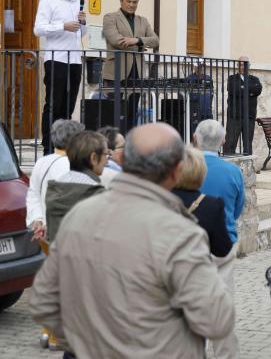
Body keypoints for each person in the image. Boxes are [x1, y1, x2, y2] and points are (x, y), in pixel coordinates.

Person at [29, 123, 235, 358]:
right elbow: (217, 320)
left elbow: (43, 299)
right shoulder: (181, 233)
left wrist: (80, 342)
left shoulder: (80, 214)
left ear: (123, 161)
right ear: (177, 171)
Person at [194, 119, 245, 359]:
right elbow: (237, 209)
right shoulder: (233, 171)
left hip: (190, 242)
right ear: (224, 141)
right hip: (224, 240)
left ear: (195, 139)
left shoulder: (185, 168)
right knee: (223, 301)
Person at [34, 0, 86, 153]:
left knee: (69, 106)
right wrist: (62, 26)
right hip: (56, 59)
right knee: (53, 105)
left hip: (75, 61)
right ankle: (48, 147)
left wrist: (83, 23)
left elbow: (81, 33)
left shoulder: (76, 2)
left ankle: (63, 147)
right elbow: (38, 29)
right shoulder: (49, 0)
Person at [26, 120, 84, 243]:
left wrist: (37, 219)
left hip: (45, 232)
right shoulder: (73, 165)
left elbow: (33, 194)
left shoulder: (42, 162)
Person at [45, 130, 107, 243]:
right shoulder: (96, 194)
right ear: (93, 158)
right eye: (105, 154)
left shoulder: (55, 188)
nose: (107, 161)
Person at [173, 146, 233, 259]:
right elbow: (222, 250)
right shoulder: (212, 205)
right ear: (201, 172)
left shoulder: (158, 199)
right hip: (194, 269)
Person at [101, 0, 159, 85]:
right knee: (115, 101)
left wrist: (137, 41)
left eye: (134, 2)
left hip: (138, 72)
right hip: (116, 72)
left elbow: (155, 41)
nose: (131, 5)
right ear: (121, 1)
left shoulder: (143, 21)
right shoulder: (110, 17)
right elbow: (117, 41)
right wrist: (142, 45)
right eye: (128, 1)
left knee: (135, 101)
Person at [224, 56, 262, 156]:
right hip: (234, 116)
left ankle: (248, 166)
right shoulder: (232, 79)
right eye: (240, 64)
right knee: (230, 142)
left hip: (249, 115)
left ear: (248, 66)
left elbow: (258, 89)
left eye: (245, 64)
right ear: (237, 66)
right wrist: (249, 92)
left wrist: (244, 89)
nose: (242, 67)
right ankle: (229, 163)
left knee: (247, 143)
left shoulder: (254, 79)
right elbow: (234, 90)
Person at [187, 60, 214, 134]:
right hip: (195, 112)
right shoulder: (189, 79)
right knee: (195, 133)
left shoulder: (208, 78)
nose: (200, 68)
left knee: (207, 134)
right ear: (194, 67)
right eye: (198, 66)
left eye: (202, 66)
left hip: (207, 111)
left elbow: (211, 94)